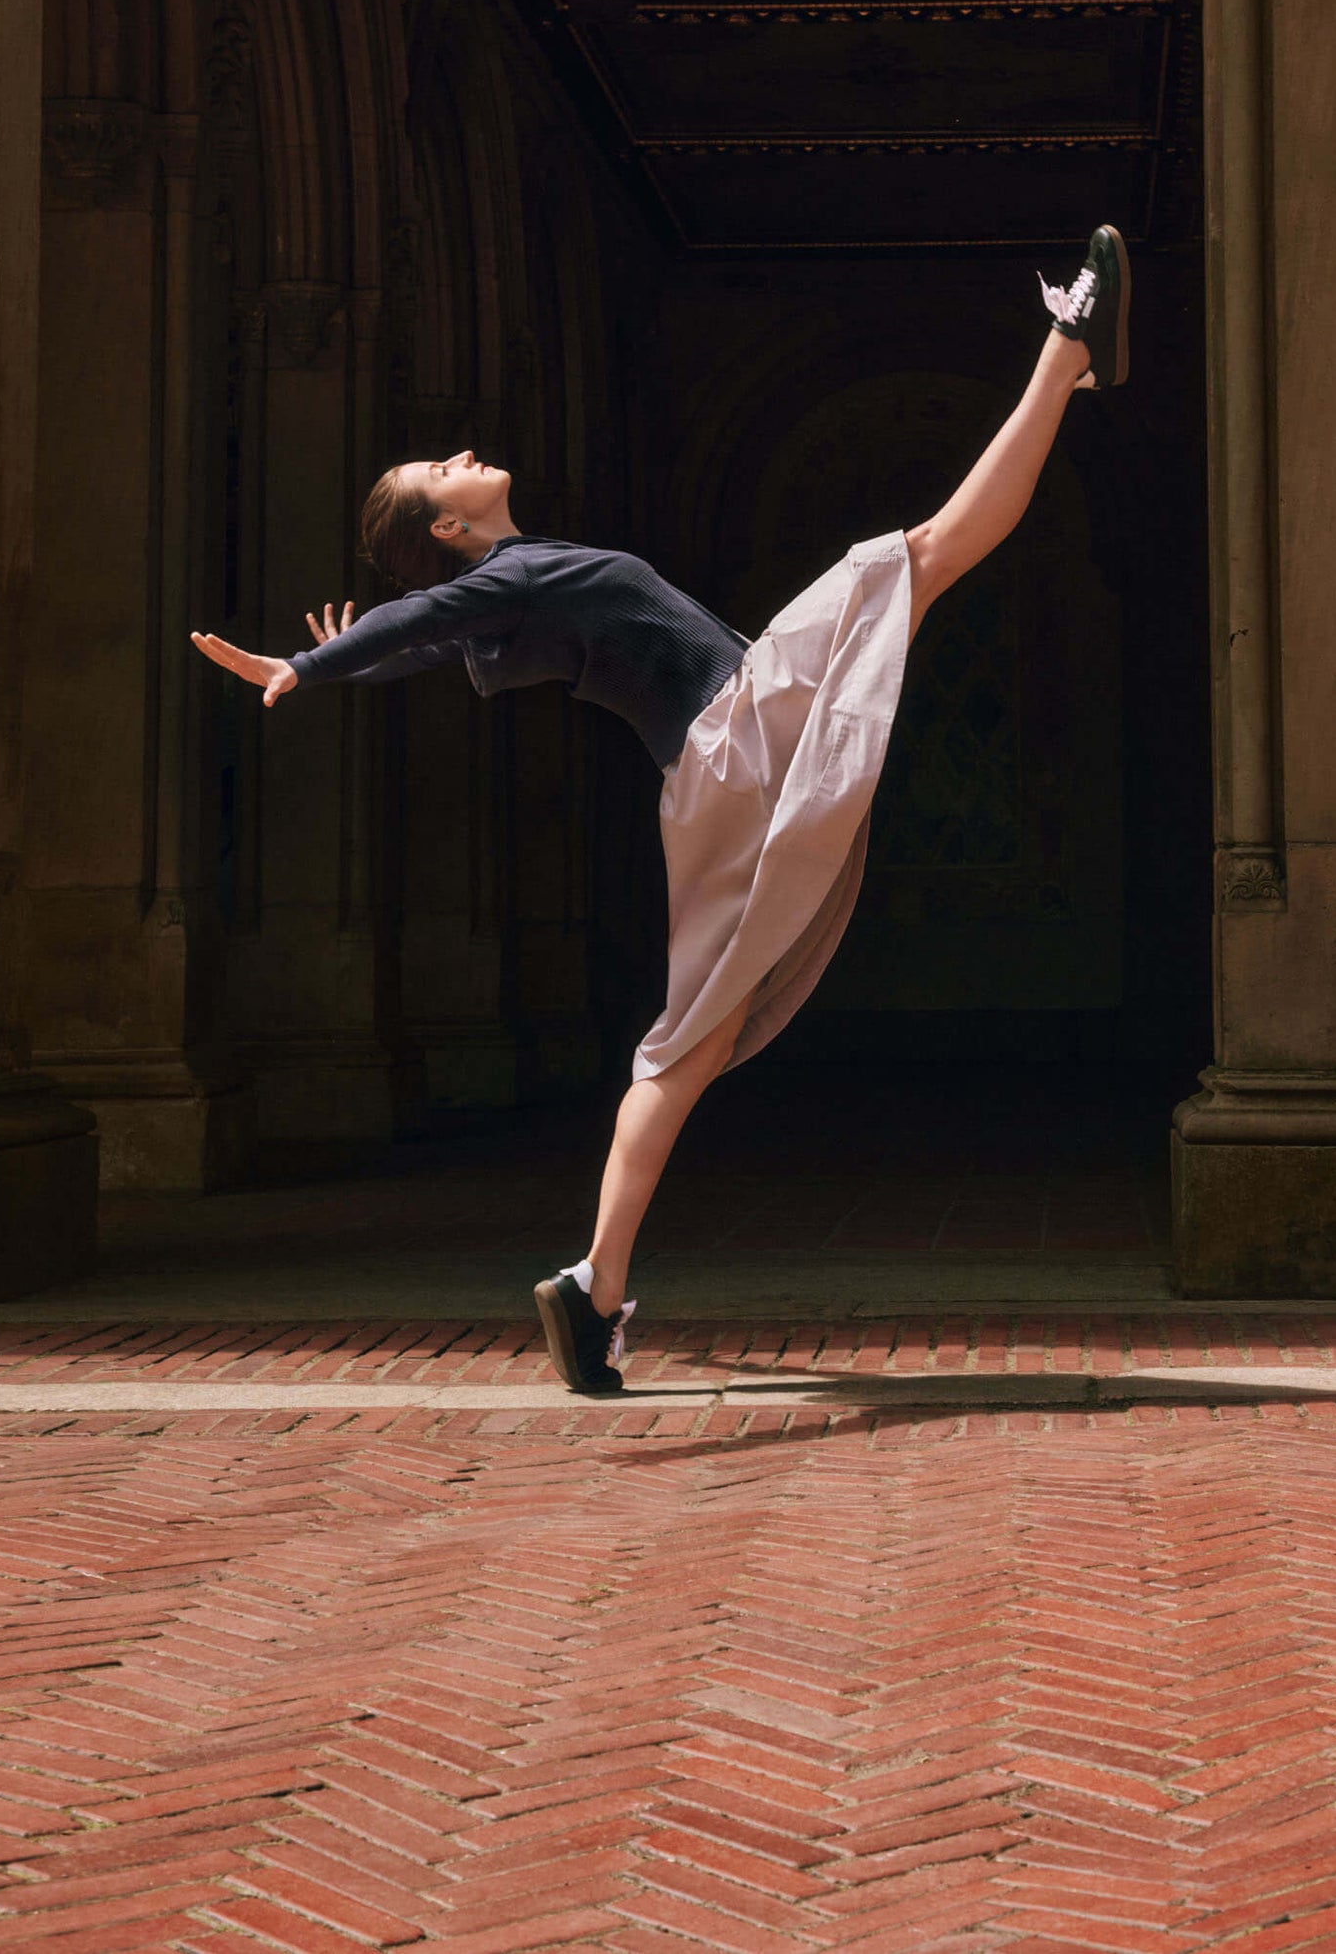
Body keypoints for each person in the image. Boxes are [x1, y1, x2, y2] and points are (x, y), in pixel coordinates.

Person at [193, 225, 1130, 1392]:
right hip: (731, 734)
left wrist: (352, 659)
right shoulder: (511, 579)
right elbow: (421, 626)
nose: (470, 450)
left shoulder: (508, 594)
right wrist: (311, 667)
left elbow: (429, 636)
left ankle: (592, 1288)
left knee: (679, 1051)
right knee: (913, 556)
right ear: (450, 525)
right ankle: (1064, 351)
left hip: (708, 775)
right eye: (448, 466)